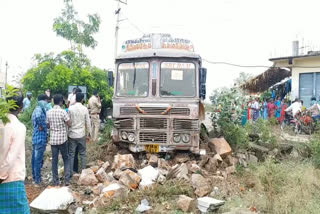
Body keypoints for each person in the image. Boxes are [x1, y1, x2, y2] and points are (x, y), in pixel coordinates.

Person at [0, 91, 30, 213]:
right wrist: (1, 176)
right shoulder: (19, 127)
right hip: (11, 180)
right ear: (21, 106)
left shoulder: (2, 123)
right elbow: (11, 157)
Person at [46, 94, 71, 186]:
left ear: (53, 101)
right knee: (66, 159)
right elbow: (69, 123)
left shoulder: (49, 112)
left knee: (54, 160)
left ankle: (55, 181)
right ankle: (67, 180)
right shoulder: (63, 112)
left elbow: (47, 125)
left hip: (53, 140)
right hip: (62, 139)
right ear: (61, 102)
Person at [68, 93, 91, 177]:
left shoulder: (70, 109)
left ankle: (71, 173)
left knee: (71, 154)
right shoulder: (85, 109)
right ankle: (83, 173)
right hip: (81, 134)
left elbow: (68, 122)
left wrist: (67, 133)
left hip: (72, 135)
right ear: (82, 99)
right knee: (83, 154)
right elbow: (88, 122)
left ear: (75, 99)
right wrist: (88, 134)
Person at [31, 94, 48, 185]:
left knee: (35, 159)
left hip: (36, 137)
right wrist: (43, 126)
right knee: (37, 160)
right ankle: (37, 179)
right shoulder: (39, 110)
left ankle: (35, 176)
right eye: (46, 101)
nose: (46, 103)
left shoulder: (36, 109)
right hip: (39, 138)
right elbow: (38, 117)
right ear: (43, 100)